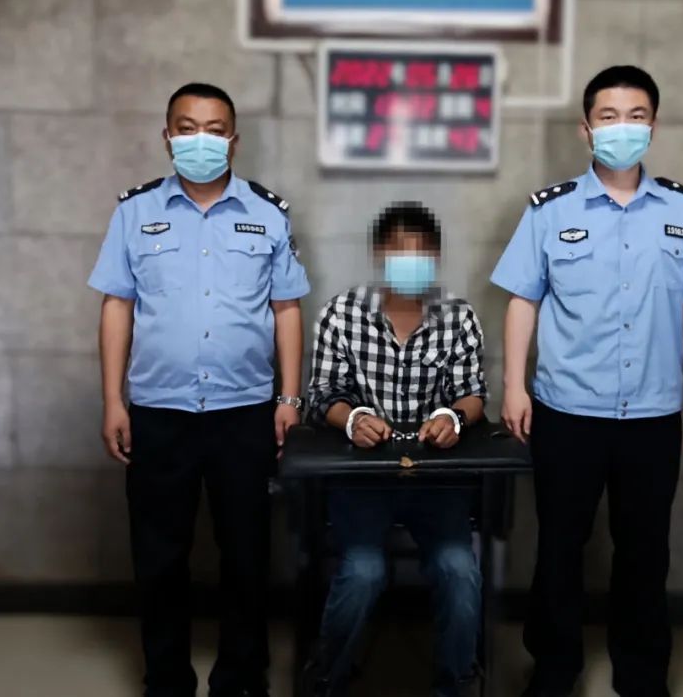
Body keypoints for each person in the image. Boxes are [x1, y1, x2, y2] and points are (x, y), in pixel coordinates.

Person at [491, 66, 683, 697]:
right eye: (609, 116)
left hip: (652, 413)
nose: (623, 128)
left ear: (654, 125)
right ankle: (554, 669)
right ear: (586, 127)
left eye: (636, 116)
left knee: (645, 551)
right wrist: (513, 386)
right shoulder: (550, 210)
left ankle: (642, 673)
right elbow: (522, 300)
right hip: (567, 410)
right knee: (560, 548)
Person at [88, 82, 310, 697]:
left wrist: (289, 399)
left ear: (233, 140)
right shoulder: (134, 213)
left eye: (214, 130)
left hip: (246, 413)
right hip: (160, 412)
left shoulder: (268, 213)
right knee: (159, 557)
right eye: (187, 129)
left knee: (246, 555)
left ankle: (241, 678)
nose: (200, 140)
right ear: (167, 138)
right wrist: (113, 400)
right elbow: (116, 306)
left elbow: (287, 309)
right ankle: (166, 679)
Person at [303, 202, 487, 697]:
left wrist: (453, 418)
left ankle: (456, 684)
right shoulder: (342, 314)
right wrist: (353, 419)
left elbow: (473, 393)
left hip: (436, 479)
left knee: (458, 569)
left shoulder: (458, 317)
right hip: (363, 478)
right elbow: (322, 394)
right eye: (400, 251)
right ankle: (327, 678)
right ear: (379, 255)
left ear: (436, 257)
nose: (411, 262)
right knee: (363, 570)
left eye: (422, 252)